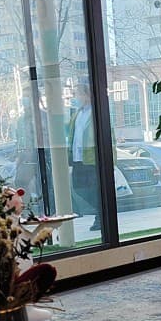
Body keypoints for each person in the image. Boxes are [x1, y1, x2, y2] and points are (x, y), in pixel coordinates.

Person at [67, 82, 101, 231]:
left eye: (78, 94)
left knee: (93, 189)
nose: (76, 97)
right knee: (78, 187)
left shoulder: (96, 112)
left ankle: (100, 216)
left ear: (87, 95)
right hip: (78, 158)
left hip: (91, 158)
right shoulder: (77, 114)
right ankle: (101, 211)